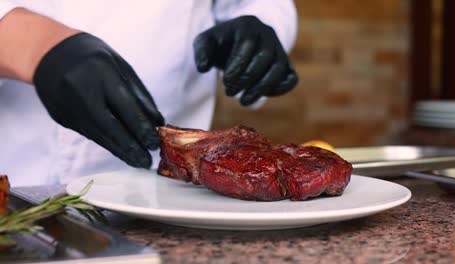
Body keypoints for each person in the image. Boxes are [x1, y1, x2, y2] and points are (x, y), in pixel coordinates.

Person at [0, 1, 298, 186]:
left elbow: (259, 4)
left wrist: (259, 25)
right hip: (18, 174)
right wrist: (37, 46)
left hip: (166, 191)